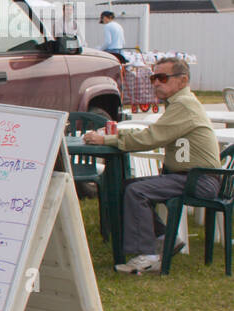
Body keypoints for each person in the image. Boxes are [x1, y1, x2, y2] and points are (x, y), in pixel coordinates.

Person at [82, 57, 220, 275]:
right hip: (190, 176)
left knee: (136, 191)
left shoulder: (184, 105)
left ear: (182, 80)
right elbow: (153, 133)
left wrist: (108, 139)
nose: (155, 83)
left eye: (162, 78)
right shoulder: (180, 103)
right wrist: (113, 135)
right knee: (127, 186)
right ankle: (164, 239)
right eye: (153, 78)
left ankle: (147, 256)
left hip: (200, 179)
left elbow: (151, 137)